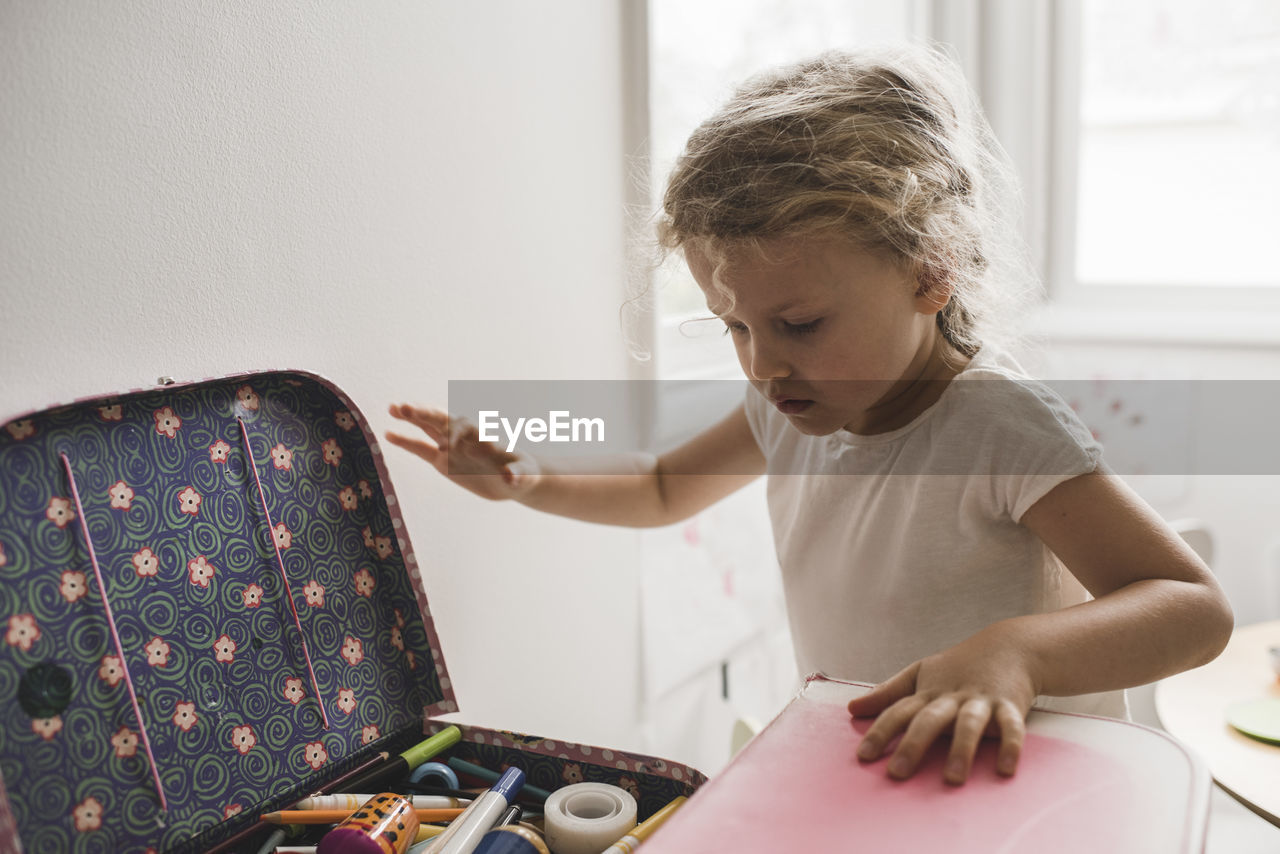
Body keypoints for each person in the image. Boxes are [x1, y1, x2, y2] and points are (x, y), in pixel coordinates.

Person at [386, 45, 1232, 786]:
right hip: (887, 770)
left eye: (799, 325)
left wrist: (1018, 651)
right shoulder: (785, 407)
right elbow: (657, 491)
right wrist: (528, 481)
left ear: (930, 272)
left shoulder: (996, 427)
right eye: (735, 327)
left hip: (1027, 786)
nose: (761, 363)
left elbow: (1192, 607)